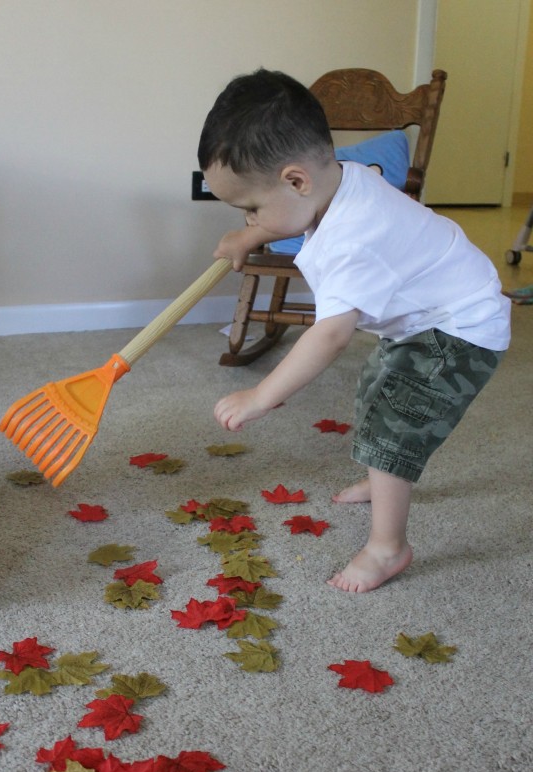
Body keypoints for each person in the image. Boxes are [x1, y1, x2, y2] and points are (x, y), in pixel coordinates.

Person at [198, 69, 511, 593]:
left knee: (396, 419)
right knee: (374, 390)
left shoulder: (352, 241)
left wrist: (261, 395)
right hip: (423, 315)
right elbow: (286, 213)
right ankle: (383, 478)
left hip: (461, 326)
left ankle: (389, 547)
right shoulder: (334, 180)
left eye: (251, 207)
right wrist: (249, 235)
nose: (252, 217)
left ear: (297, 180)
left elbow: (329, 336)